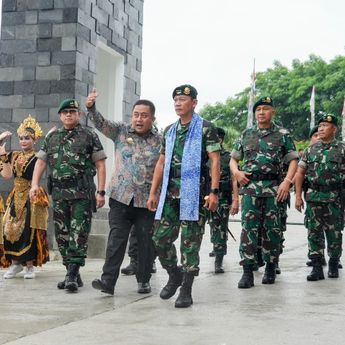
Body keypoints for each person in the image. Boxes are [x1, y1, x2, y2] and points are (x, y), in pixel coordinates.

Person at [147, 84, 221, 308]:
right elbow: (161, 162)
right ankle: (174, 274)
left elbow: (215, 160)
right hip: (170, 193)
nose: (178, 103)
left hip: (194, 193)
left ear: (194, 103)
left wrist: (214, 192)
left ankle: (186, 290)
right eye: (176, 100)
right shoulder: (169, 130)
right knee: (160, 238)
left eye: (183, 99)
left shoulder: (206, 128)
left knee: (190, 243)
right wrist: (153, 192)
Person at [86, 89, 162, 296]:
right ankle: (107, 281)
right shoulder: (120, 131)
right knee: (116, 241)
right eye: (136, 114)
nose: (139, 119)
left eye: (144, 115)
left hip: (147, 201)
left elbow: (164, 169)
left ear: (152, 118)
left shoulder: (161, 140)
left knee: (146, 242)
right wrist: (91, 107)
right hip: (120, 197)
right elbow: (100, 123)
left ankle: (144, 280)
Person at [30, 99, 107, 292]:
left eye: (72, 112)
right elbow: (40, 162)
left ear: (79, 115)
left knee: (78, 233)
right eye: (65, 112)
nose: (69, 115)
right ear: (60, 116)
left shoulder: (89, 136)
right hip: (59, 193)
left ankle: (71, 274)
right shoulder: (52, 137)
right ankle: (72, 272)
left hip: (82, 193)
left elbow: (100, 164)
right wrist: (34, 185)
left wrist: (101, 191)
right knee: (63, 235)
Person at [230, 96, 298, 288]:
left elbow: (293, 159)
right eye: (258, 109)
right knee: (248, 230)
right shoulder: (247, 134)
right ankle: (247, 271)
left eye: (265, 109)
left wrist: (287, 181)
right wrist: (237, 172)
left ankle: (270, 266)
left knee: (272, 229)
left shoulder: (282, 134)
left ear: (272, 112)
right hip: (251, 188)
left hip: (274, 189)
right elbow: (234, 159)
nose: (261, 113)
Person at [295, 114, 345, 281]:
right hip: (314, 197)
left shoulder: (342, 149)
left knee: (334, 233)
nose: (321, 128)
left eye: (325, 125)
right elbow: (300, 173)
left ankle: (333, 262)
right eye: (320, 125)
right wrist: (298, 197)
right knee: (313, 233)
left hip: (335, 198)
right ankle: (316, 266)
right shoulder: (310, 150)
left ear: (334, 129)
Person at [0, 118, 49, 279]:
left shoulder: (38, 157)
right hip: (16, 196)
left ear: (34, 140)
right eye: (21, 138)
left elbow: (46, 156)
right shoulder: (13, 155)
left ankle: (29, 266)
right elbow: (6, 175)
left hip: (31, 195)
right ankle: (15, 265)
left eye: (27, 138)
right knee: (8, 229)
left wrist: (49, 138)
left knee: (29, 230)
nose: (23, 141)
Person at [208, 127, 239, 273]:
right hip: (204, 195)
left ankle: (219, 260)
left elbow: (234, 180)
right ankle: (215, 248)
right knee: (209, 225)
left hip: (222, 197)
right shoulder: (203, 155)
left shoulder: (227, 157)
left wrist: (235, 199)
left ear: (220, 140)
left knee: (220, 227)